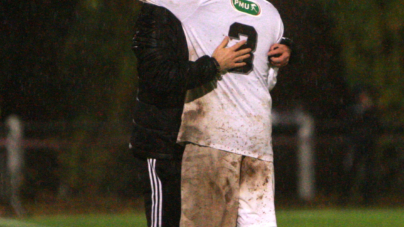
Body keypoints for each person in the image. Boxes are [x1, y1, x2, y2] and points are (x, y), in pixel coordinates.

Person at [130, 2, 292, 227]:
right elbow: (158, 76)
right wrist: (213, 65)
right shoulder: (271, 13)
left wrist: (214, 64)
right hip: (241, 140)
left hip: (208, 139)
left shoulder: (197, 4)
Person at [341, 84, 381, 205]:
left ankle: (367, 198)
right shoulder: (353, 109)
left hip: (368, 144)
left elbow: (376, 125)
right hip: (356, 144)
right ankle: (344, 197)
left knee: (369, 172)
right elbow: (350, 125)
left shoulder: (371, 109)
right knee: (352, 170)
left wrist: (369, 110)